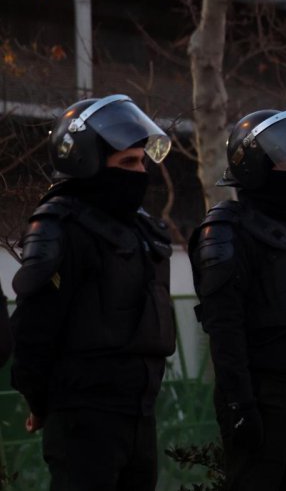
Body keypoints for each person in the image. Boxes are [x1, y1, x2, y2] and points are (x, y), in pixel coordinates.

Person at [11, 94, 175, 490]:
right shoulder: (60, 225)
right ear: (87, 161)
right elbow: (34, 332)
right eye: (128, 163)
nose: (140, 173)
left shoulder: (142, 230)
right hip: (83, 421)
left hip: (140, 417)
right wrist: (41, 402)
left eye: (142, 162)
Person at [189, 109, 286, 491]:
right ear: (256, 164)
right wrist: (241, 403)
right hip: (263, 393)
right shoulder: (227, 230)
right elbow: (224, 328)